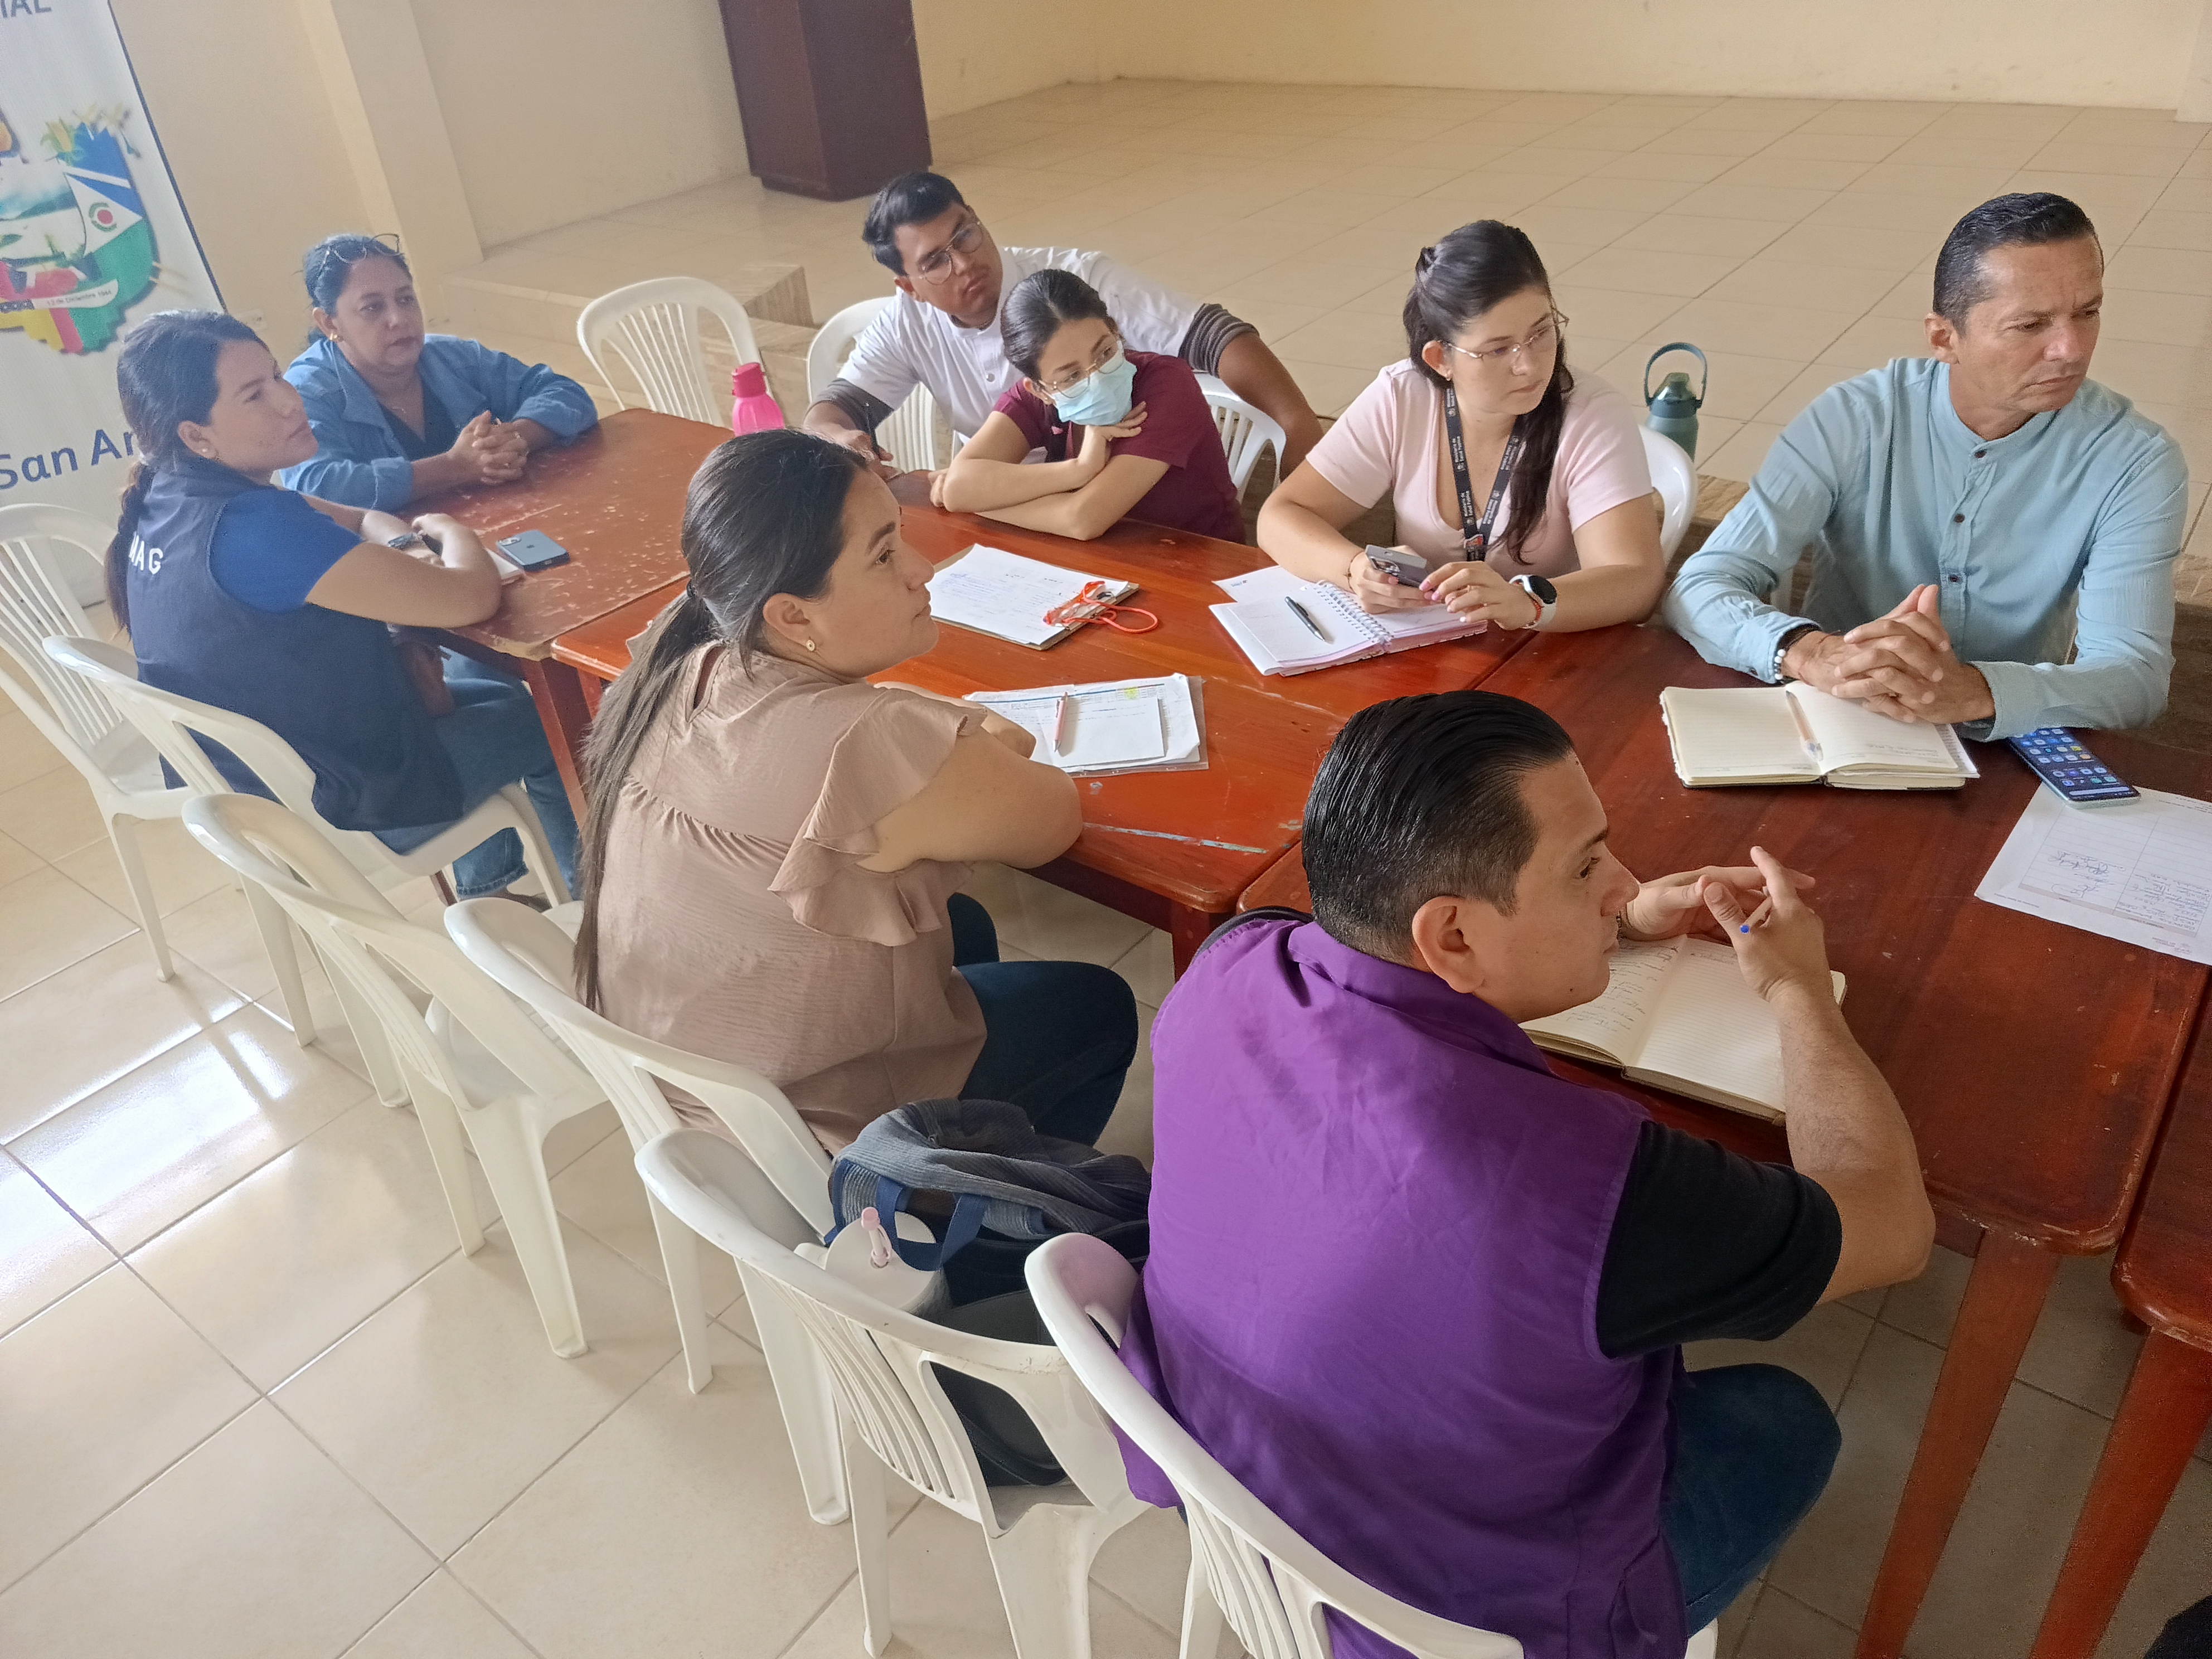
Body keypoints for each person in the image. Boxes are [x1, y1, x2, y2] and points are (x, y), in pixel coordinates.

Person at [1119, 690, 1936, 1657]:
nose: (1621, 882)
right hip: (1453, 1618)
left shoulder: (1233, 958)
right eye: (1586, 867)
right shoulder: (1591, 1188)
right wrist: (1798, 990)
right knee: (1784, 1416)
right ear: (1454, 937)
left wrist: (1621, 918)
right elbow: (1891, 1228)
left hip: (1244, 1492)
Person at [574, 429, 1138, 1154]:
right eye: (883, 555)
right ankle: (986, 1209)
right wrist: (969, 728)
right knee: (1096, 1004)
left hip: (685, 1094)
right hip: (808, 1144)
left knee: (960, 925)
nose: (922, 569)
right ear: (792, 615)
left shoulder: (676, 662)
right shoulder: (869, 740)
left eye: (900, 536)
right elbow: (1052, 817)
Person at [1663, 192, 2189, 740]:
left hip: (2007, 736)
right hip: (1843, 722)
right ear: (1944, 338)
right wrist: (1813, 653)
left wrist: (1974, 692)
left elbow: (2135, 678)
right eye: (2030, 325)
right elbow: (1700, 587)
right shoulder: (1853, 419)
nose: (2071, 349)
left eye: (2087, 312)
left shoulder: (2136, 461)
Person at [107, 311, 580, 903]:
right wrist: (449, 531)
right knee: (554, 726)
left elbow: (360, 518)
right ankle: (596, 913)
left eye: (277, 376)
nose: (289, 401)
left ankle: (490, 897)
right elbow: (472, 596)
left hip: (258, 794)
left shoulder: (169, 495)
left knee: (498, 699)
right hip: (334, 811)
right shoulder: (256, 530)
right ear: (196, 436)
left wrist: (403, 545)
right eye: (255, 395)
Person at [1258, 220, 1663, 633]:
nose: (1529, 365)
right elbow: (1281, 517)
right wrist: (1354, 569)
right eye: (1498, 349)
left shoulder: (1592, 415)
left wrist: (1527, 603)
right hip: (1428, 644)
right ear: (1440, 360)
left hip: (1544, 647)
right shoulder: (1402, 396)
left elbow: (1637, 583)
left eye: (1541, 332)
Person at [803, 169, 1324, 484]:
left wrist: (1297, 421)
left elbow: (1214, 336)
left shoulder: (1072, 282)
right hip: (1001, 500)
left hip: (1107, 488)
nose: (964, 263)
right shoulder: (906, 322)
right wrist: (839, 437)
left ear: (978, 218)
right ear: (909, 286)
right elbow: (838, 405)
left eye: (965, 235)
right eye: (935, 261)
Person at [279, 234, 600, 511]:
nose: (398, 319)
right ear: (329, 323)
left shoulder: (452, 357)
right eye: (373, 308)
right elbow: (318, 488)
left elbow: (565, 393)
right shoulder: (308, 391)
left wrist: (513, 440)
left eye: (406, 299)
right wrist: (454, 467)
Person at [932, 268, 1246, 542]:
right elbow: (959, 488)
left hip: (1198, 567)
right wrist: (1078, 470)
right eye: (1072, 376)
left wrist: (984, 502)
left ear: (1114, 329)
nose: (1098, 378)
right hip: (1094, 565)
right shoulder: (1036, 398)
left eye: (1105, 352)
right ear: (1040, 390)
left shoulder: (1167, 383)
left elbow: (1082, 520)